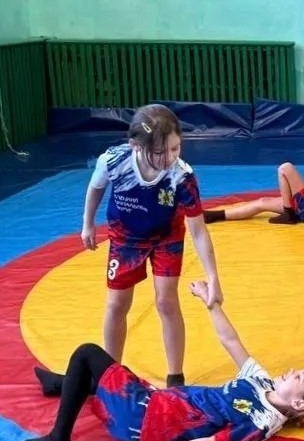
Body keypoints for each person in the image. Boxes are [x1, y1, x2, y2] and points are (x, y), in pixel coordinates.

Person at [19, 280, 304, 441]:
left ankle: (59, 438)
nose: (291, 371)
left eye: (299, 378)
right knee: (105, 376)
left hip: (145, 417)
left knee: (88, 353)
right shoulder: (262, 381)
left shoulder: (262, 421)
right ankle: (62, 384)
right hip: (160, 401)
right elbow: (231, 341)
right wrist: (210, 304)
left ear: (299, 404)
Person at [81, 103, 221, 387]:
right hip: (126, 237)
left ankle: (175, 376)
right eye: (160, 152)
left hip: (166, 236)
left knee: (166, 301)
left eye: (176, 148)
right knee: (116, 304)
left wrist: (213, 276)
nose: (169, 158)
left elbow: (198, 230)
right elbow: (95, 187)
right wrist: (88, 223)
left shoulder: (182, 176)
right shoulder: (113, 161)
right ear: (136, 146)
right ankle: (110, 374)